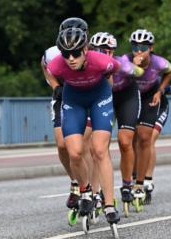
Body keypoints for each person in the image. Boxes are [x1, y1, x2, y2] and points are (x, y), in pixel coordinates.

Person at [44, 18, 121, 224]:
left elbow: (114, 70)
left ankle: (109, 204)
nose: (71, 58)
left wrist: (109, 93)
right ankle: (85, 191)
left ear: (86, 49)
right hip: (74, 100)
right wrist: (56, 88)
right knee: (75, 152)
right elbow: (48, 71)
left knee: (98, 150)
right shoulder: (56, 64)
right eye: (66, 53)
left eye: (76, 53)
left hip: (99, 99)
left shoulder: (102, 61)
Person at [90, 32, 144, 210]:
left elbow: (139, 72)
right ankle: (96, 192)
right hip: (105, 99)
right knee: (99, 147)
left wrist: (135, 66)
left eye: (106, 51)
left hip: (127, 97)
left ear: (112, 52)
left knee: (125, 141)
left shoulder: (121, 63)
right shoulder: (89, 64)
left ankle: (127, 184)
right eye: (97, 50)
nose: (102, 54)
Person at [41, 43, 91, 210]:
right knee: (62, 145)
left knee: (82, 145)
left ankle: (90, 188)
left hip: (85, 97)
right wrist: (56, 86)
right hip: (63, 98)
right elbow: (44, 66)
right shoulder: (51, 53)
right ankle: (75, 182)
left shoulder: (90, 52)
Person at [130, 30, 171, 203]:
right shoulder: (127, 61)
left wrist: (162, 89)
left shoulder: (159, 63)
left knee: (147, 139)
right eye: (135, 47)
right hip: (135, 100)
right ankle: (135, 175)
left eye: (143, 48)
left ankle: (147, 178)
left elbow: (170, 71)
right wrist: (134, 67)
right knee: (132, 139)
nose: (139, 51)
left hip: (154, 101)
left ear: (151, 48)